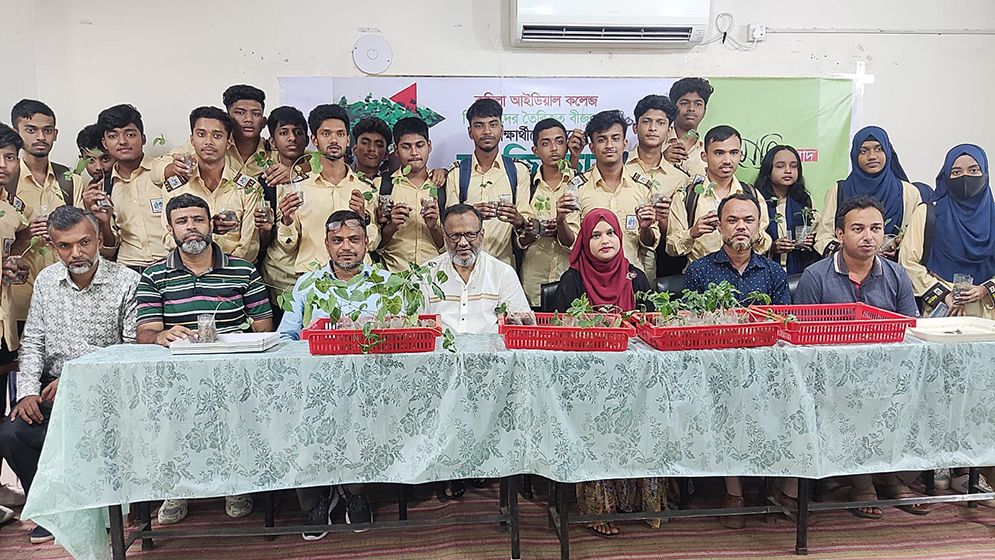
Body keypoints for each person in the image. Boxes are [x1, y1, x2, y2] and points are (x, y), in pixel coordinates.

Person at [0, 205, 140, 544]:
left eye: (84, 243)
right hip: (52, 389)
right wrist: (27, 392)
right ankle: (55, 511)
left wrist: (80, 377)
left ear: (97, 240)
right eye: (65, 246)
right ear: (52, 246)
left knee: (96, 432)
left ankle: (103, 511)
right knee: (12, 433)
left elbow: (132, 347)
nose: (76, 253)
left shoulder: (127, 281)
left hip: (107, 387)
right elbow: (32, 341)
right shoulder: (47, 281)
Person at [136, 193, 273, 525]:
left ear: (210, 224)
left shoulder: (243, 270)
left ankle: (236, 480)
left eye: (198, 220)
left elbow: (263, 326)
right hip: (179, 373)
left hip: (234, 367)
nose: (191, 228)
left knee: (237, 401)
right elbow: (146, 333)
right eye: (182, 222)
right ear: (170, 229)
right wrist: (161, 336)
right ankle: (177, 485)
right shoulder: (155, 275)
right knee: (167, 404)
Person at [796, 196, 924, 518]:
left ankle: (891, 474)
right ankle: (863, 479)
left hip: (888, 371)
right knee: (852, 397)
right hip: (833, 375)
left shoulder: (897, 275)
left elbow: (910, 329)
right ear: (840, 234)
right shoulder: (816, 276)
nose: (868, 236)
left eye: (876, 229)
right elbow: (806, 338)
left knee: (916, 393)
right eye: (858, 228)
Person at [550, 209, 664, 537]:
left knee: (647, 411)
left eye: (611, 234)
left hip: (635, 375)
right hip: (589, 380)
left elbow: (650, 325)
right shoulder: (572, 280)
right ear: (584, 241)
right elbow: (563, 335)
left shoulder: (636, 277)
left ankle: (646, 502)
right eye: (596, 235)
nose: (605, 241)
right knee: (595, 419)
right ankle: (599, 507)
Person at [899, 143, 995, 504]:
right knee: (938, 393)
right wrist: (944, 294)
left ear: (985, 173)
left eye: (973, 171)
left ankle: (974, 470)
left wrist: (987, 288)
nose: (965, 178)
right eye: (956, 172)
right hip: (941, 318)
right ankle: (938, 464)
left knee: (982, 397)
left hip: (987, 318)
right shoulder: (930, 212)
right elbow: (909, 262)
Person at [278, 209, 378, 539]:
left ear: (367, 243)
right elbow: (286, 337)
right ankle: (315, 500)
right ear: (326, 244)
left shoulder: (386, 284)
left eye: (353, 240)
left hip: (367, 385)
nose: (345, 247)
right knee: (298, 420)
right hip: (312, 385)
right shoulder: (307, 285)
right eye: (337, 241)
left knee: (359, 418)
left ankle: (355, 493)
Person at [275, 104, 380, 274]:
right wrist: (287, 220)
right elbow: (287, 248)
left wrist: (361, 218)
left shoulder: (365, 188)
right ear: (314, 140)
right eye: (326, 134)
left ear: (347, 140)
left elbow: (373, 243)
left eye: (340, 134)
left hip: (359, 280)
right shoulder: (296, 187)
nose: (334, 140)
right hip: (314, 280)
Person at [160, 106, 262, 262]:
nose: (208, 142)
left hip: (233, 272)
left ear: (228, 142)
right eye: (201, 134)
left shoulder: (248, 188)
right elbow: (168, 239)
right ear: (192, 140)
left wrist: (222, 267)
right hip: (187, 271)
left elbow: (249, 247)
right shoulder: (175, 187)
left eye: (217, 135)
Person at [9, 100, 71, 346]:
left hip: (63, 295)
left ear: (55, 134)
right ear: (17, 132)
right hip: (19, 296)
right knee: (20, 368)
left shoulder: (69, 179)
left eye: (47, 130)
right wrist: (24, 236)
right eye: (31, 130)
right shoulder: (7, 179)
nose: (40, 137)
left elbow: (80, 232)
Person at [443, 98, 533, 269]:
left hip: (503, 267)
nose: (486, 131)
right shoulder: (456, 174)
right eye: (479, 125)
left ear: (502, 129)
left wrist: (518, 219)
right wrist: (472, 215)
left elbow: (527, 224)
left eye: (493, 124)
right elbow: (450, 224)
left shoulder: (518, 171)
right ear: (470, 132)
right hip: (464, 267)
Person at [667, 125, 772, 266]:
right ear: (704, 156)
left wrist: (751, 234)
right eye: (719, 153)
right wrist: (693, 232)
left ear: (740, 155)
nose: (727, 160)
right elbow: (671, 248)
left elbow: (763, 246)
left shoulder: (751, 195)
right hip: (702, 278)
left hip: (745, 276)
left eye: (734, 153)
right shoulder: (686, 196)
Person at [814, 126, 922, 257]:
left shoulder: (908, 193)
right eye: (864, 151)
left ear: (887, 152)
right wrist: (845, 248)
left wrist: (898, 248)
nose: (872, 156)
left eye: (878, 149)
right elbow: (823, 236)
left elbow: (916, 239)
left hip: (892, 271)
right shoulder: (838, 190)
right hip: (847, 270)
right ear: (855, 155)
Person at [576, 110, 658, 276]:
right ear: (592, 147)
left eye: (615, 138)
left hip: (633, 278)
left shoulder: (643, 187)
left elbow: (650, 243)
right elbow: (571, 243)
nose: (609, 146)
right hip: (591, 281)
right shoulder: (577, 189)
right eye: (601, 140)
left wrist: (646, 228)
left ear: (625, 143)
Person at [424, 204, 529, 334]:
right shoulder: (426, 273)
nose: (463, 243)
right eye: (455, 236)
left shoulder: (502, 273)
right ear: (444, 235)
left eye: (470, 235)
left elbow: (523, 327)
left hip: (491, 352)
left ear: (482, 234)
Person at [96, 104, 170, 271]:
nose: (122, 142)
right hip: (128, 271)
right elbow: (108, 249)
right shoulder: (103, 188)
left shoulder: (165, 172)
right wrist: (104, 223)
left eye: (130, 134)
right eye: (113, 136)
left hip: (171, 265)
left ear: (143, 138)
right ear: (105, 143)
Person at [519, 118, 580, 308]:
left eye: (559, 142)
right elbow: (520, 240)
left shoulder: (579, 185)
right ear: (535, 150)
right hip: (533, 281)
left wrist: (560, 225)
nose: (554, 148)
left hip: (570, 280)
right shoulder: (527, 186)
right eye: (546, 143)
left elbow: (576, 242)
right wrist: (532, 230)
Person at [157, 84, 270, 186]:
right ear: (228, 118)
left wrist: (288, 170)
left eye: (256, 114)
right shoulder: (206, 145)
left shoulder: (274, 151)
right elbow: (156, 172)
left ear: (264, 121)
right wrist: (173, 169)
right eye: (240, 112)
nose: (248, 119)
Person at [625, 94, 687, 280]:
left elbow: (678, 234)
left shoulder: (679, 179)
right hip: (624, 254)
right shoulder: (619, 168)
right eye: (647, 122)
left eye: (660, 123)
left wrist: (663, 219)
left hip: (662, 262)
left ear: (669, 130)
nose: (653, 128)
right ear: (636, 127)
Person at [374, 117, 444, 271]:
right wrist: (392, 225)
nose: (414, 153)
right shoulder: (382, 186)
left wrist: (433, 227)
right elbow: (374, 245)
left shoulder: (443, 185)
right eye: (406, 147)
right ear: (396, 150)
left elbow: (450, 246)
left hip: (434, 278)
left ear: (429, 145)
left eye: (420, 145)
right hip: (394, 279)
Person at [259, 106, 309, 316]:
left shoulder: (323, 172)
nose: (292, 138)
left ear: (307, 139)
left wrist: (297, 171)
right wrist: (265, 228)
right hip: (279, 279)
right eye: (284, 132)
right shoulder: (264, 181)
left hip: (316, 277)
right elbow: (261, 238)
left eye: (298, 132)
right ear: (272, 141)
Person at [754, 145, 819, 275]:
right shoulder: (757, 200)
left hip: (800, 271)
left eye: (794, 166)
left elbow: (819, 232)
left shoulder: (804, 200)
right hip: (764, 272)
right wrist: (771, 247)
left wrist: (811, 241)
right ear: (768, 169)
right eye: (780, 166)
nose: (788, 170)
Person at [663, 78, 713, 178]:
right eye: (684, 103)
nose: (691, 109)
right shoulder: (655, 143)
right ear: (673, 107)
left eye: (698, 104)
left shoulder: (709, 152)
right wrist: (661, 160)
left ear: (704, 110)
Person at [70, 123, 115, 209]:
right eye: (91, 160)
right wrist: (87, 206)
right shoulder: (83, 193)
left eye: (105, 159)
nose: (99, 167)